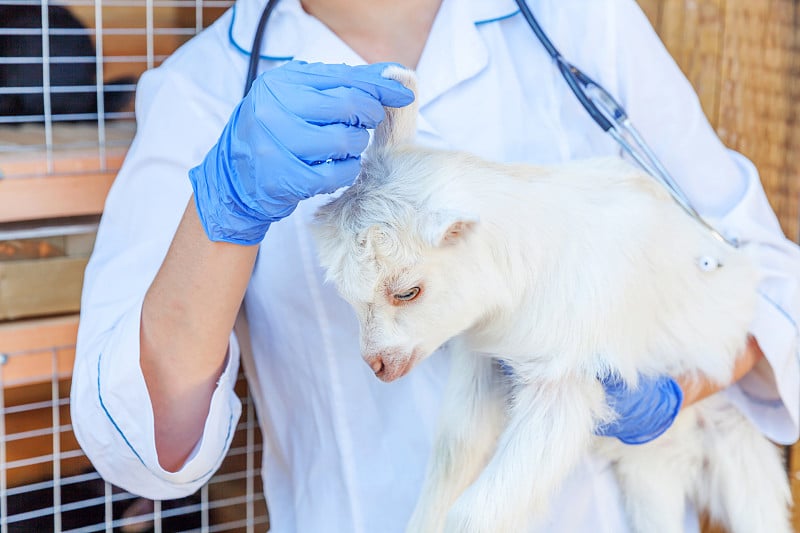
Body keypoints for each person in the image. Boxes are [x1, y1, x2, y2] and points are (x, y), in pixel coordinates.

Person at [70, 0, 800, 531]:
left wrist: (671, 385)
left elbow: (763, 273)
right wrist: (222, 210)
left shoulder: (578, 19)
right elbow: (136, 445)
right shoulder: (202, 90)